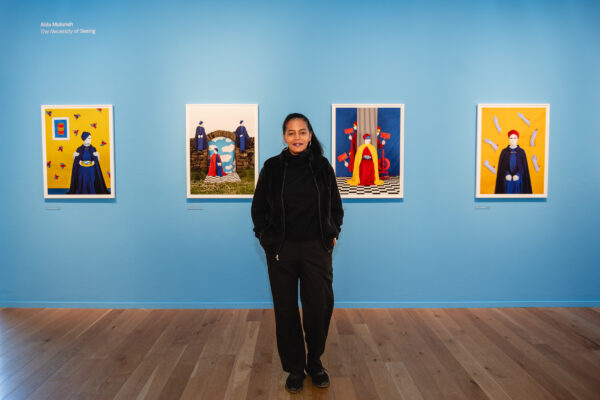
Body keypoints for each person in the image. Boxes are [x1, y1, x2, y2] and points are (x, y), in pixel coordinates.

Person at [251, 113, 344, 394]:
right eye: (291, 133)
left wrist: (332, 232)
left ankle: (314, 362)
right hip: (282, 250)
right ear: (283, 137)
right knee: (286, 311)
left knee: (318, 308)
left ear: (310, 135)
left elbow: (335, 206)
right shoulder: (272, 168)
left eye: (302, 132)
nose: (297, 138)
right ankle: (294, 367)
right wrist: (267, 240)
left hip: (317, 248)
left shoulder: (322, 167)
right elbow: (259, 210)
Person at [495, 129, 532, 194]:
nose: (513, 140)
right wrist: (506, 174)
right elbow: (502, 169)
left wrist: (518, 174)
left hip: (518, 180)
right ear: (509, 139)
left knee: (518, 184)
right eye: (511, 138)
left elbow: (524, 168)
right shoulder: (504, 152)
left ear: (517, 139)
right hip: (507, 180)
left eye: (515, 138)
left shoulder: (521, 152)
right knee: (507, 184)